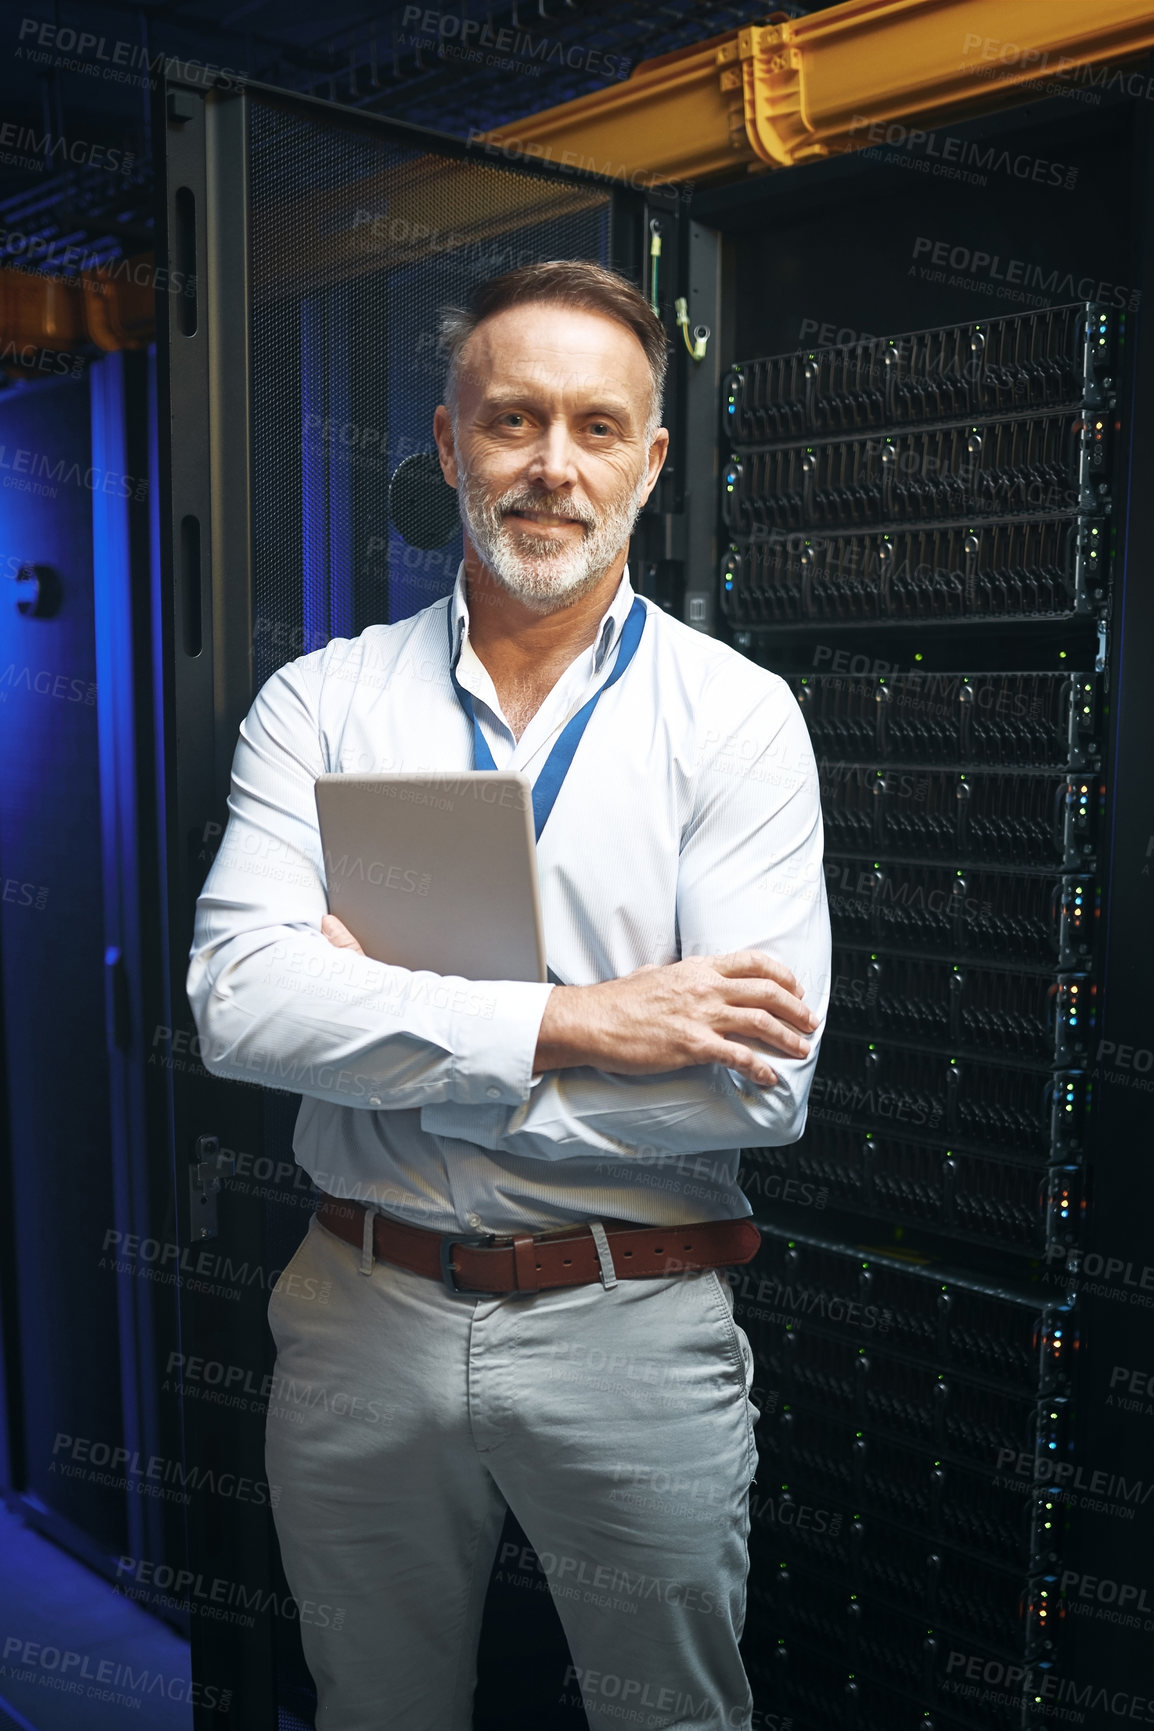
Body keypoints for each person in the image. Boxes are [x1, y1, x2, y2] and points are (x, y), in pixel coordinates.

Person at [186, 259, 831, 1731]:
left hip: (633, 1325)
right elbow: (242, 1007)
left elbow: (753, 1087)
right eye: (513, 420)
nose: (551, 465)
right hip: (360, 1315)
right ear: (445, 440)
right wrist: (587, 1023)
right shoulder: (322, 705)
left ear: (651, 461)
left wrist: (385, 1027)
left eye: (597, 428)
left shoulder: (732, 722)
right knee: (372, 1712)